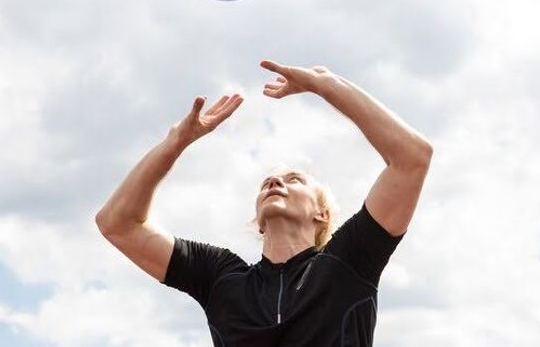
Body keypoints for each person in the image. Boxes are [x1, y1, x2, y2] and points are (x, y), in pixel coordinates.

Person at [96, 59, 433, 347]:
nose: (274, 182)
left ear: (322, 215)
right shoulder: (221, 277)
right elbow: (117, 223)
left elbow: (412, 157)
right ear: (258, 219)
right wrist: (173, 145)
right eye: (267, 183)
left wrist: (325, 85)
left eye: (294, 179)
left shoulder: (348, 261)